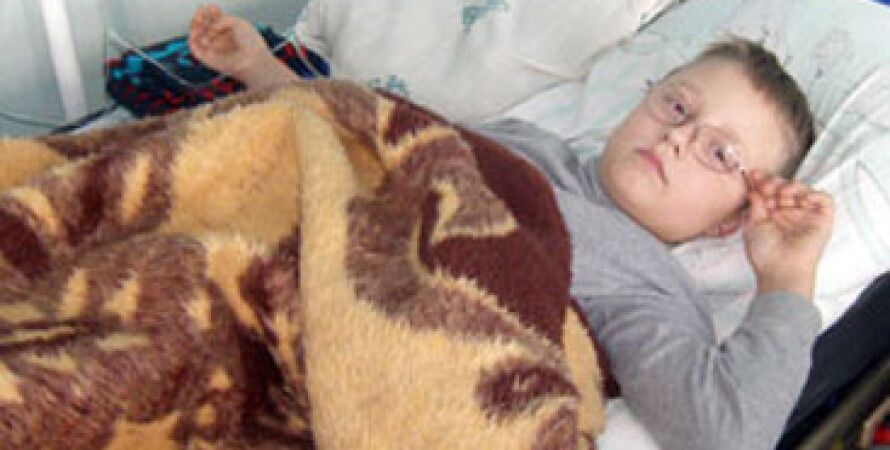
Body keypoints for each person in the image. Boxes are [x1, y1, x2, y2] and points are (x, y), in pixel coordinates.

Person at [189, 6, 834, 450]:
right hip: (303, 254)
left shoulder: (648, 283)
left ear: (730, 223)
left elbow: (727, 431)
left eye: (720, 153)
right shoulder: (526, 144)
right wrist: (262, 71)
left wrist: (788, 278)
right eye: (678, 105)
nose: (679, 138)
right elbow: (385, 137)